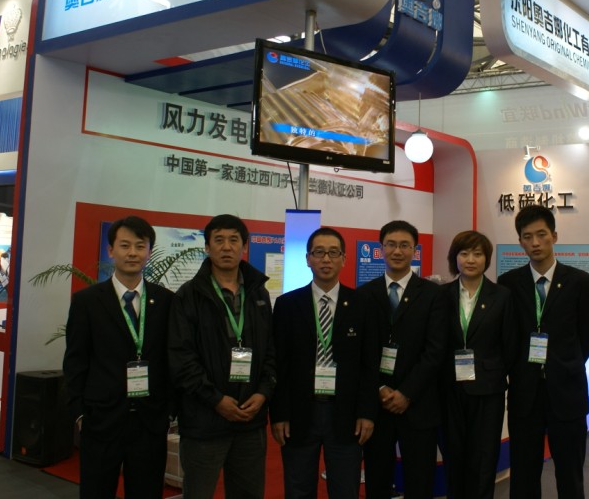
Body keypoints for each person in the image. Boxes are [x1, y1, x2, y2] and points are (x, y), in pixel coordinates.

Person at [63, 216, 173, 499]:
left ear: (149, 252)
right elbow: (75, 361)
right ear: (111, 250)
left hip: (150, 422)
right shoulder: (87, 301)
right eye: (125, 246)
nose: (132, 253)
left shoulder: (165, 301)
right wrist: (79, 414)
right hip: (101, 420)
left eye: (140, 246)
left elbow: (170, 358)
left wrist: (169, 410)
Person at [168, 214, 276, 499]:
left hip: (250, 420)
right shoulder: (188, 296)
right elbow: (181, 358)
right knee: (198, 493)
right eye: (219, 240)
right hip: (204, 422)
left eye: (233, 240)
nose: (226, 247)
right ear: (207, 247)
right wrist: (215, 400)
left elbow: (271, 350)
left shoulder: (259, 294)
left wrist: (263, 393)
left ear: (245, 247)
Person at [499, 205, 589, 499]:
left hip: (567, 391)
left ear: (554, 236)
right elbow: (507, 338)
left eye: (541, 234)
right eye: (527, 237)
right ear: (520, 242)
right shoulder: (508, 284)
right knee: (523, 475)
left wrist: (563, 364)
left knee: (570, 474)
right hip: (524, 394)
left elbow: (586, 335)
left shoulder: (580, 282)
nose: (535, 243)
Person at [270, 227, 377, 499]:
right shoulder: (287, 304)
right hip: (299, 413)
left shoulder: (362, 304)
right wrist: (279, 414)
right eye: (319, 252)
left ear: (344, 259)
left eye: (333, 253)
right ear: (308, 259)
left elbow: (369, 364)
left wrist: (367, 412)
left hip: (346, 414)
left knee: (345, 489)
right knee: (298, 489)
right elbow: (279, 364)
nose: (326, 259)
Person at [358, 220, 447, 499]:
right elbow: (360, 352)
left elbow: (435, 350)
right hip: (377, 405)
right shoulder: (364, 294)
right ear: (381, 248)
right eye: (391, 245)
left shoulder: (433, 294)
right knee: (377, 480)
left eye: (405, 245)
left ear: (414, 250)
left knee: (420, 481)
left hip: (418, 404)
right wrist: (380, 388)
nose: (397, 251)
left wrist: (406, 393)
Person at [440, 230, 515, 499]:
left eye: (477, 253)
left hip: (488, 390)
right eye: (464, 253)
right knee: (453, 455)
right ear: (455, 258)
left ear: (487, 259)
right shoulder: (441, 295)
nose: (470, 259)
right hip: (449, 389)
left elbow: (510, 345)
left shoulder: (502, 296)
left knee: (484, 458)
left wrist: (494, 373)